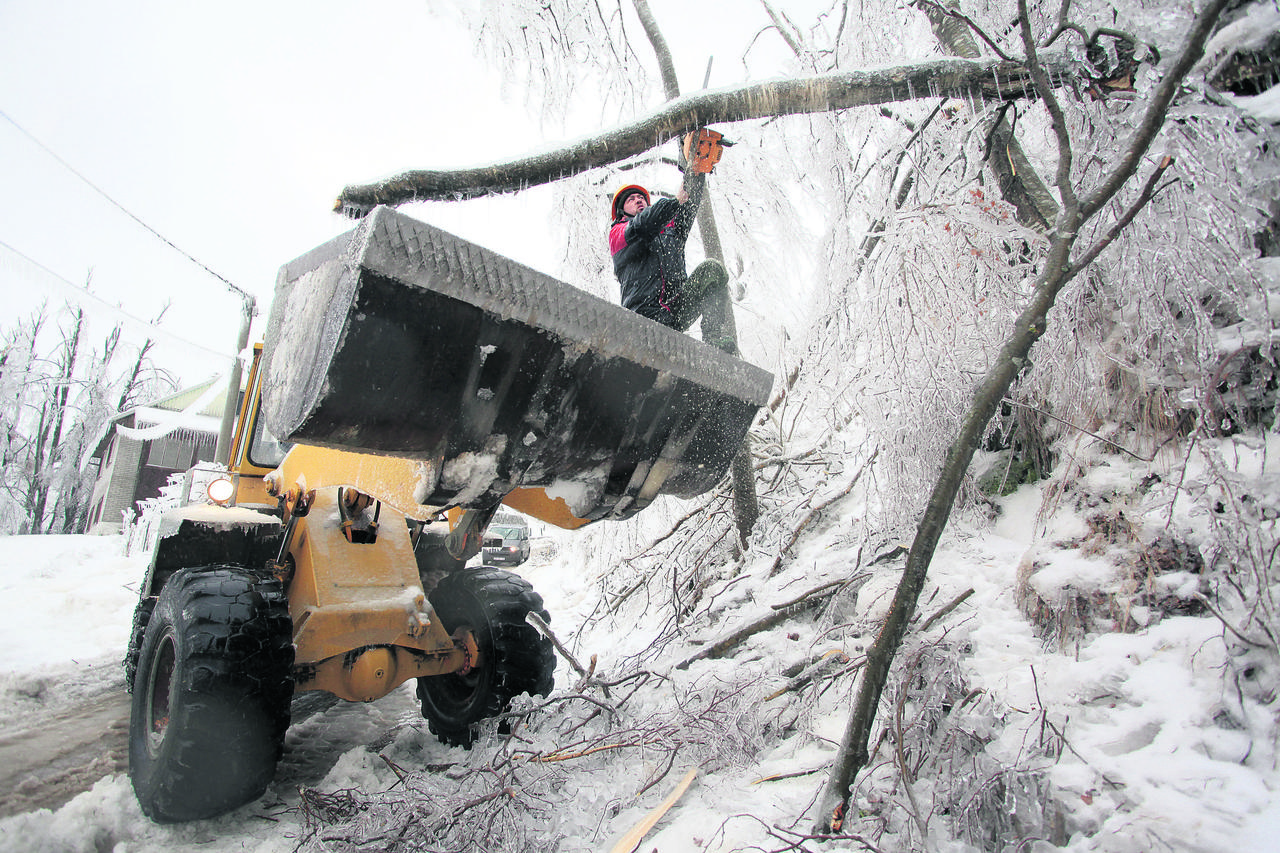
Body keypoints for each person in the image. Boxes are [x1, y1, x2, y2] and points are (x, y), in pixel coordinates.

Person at [608, 181, 728, 335]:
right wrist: (675, 202)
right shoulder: (619, 233)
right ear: (621, 211)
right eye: (631, 199)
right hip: (643, 315)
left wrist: (695, 172)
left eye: (641, 197)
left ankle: (714, 337)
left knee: (712, 269)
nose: (638, 200)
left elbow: (688, 206)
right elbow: (643, 225)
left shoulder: (670, 231)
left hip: (675, 311)